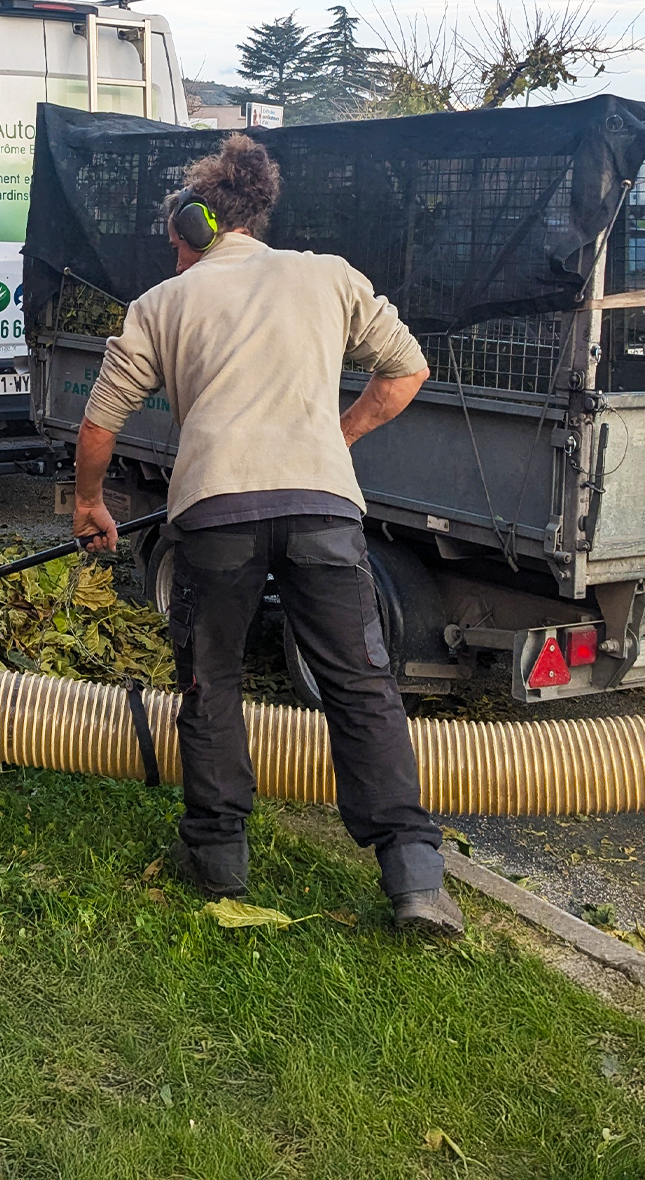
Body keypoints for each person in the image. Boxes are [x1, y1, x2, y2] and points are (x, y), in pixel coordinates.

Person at [71, 132, 464, 938]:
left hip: (213, 519)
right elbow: (406, 371)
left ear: (193, 224)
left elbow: (99, 423)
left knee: (212, 680)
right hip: (324, 509)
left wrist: (90, 505)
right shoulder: (327, 276)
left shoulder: (162, 303)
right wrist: (334, 438)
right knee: (361, 687)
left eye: (173, 240)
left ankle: (218, 856)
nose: (173, 253)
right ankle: (416, 877)